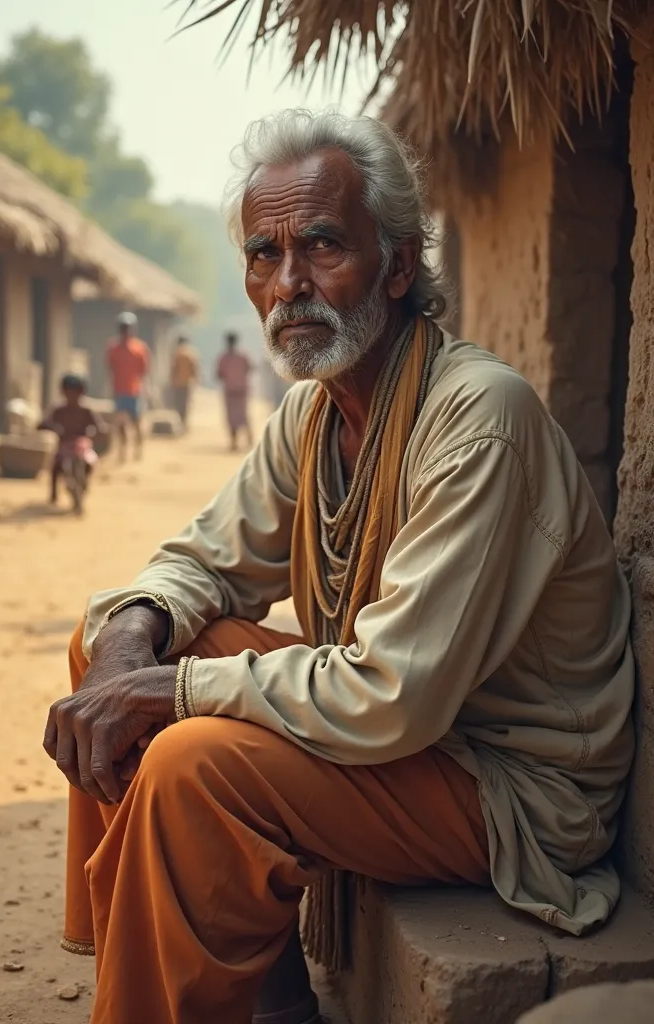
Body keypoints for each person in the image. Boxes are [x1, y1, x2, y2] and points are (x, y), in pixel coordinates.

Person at [44, 110, 635, 1024]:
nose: (290, 285)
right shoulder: (315, 413)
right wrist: (133, 639)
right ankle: (256, 990)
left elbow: (396, 692)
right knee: (110, 641)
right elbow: (203, 560)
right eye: (263, 256)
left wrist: (178, 692)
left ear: (399, 265)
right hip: (409, 740)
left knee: (190, 762)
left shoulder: (479, 417)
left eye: (322, 245)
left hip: (510, 784)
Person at [38, 374, 99, 507]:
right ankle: (53, 494)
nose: (72, 396)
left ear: (81, 393)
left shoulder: (86, 411)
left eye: (75, 393)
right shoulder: (59, 411)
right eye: (68, 392)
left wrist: (92, 433)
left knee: (90, 463)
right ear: (63, 393)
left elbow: (97, 426)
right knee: (55, 467)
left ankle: (84, 483)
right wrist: (51, 427)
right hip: (64, 446)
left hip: (82, 446)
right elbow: (44, 423)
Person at [106, 312, 150, 461]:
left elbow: (144, 370)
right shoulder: (113, 348)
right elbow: (110, 366)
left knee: (136, 422)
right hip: (119, 391)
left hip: (134, 391)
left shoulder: (139, 348)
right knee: (120, 424)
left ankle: (138, 449)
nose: (125, 331)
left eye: (128, 328)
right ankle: (122, 451)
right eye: (123, 328)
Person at [216, 330, 253, 450]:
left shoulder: (223, 357)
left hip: (230, 390)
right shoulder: (243, 355)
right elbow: (249, 369)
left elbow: (219, 374)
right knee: (243, 414)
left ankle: (234, 442)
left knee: (232, 416)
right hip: (241, 389)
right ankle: (249, 439)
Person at [169, 335, 199, 429]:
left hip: (178, 383)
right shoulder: (190, 354)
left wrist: (172, 380)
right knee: (185, 404)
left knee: (179, 403)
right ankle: (184, 422)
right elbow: (194, 368)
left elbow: (173, 369)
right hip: (187, 383)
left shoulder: (176, 354)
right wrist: (195, 379)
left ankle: (182, 421)